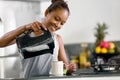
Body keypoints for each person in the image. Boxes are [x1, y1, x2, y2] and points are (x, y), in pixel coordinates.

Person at [0, 0, 77, 78]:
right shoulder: (27, 34)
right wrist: (25, 28)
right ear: (47, 12)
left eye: (62, 23)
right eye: (56, 19)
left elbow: (65, 68)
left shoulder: (57, 39)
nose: (58, 25)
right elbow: (1, 43)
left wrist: (69, 68)